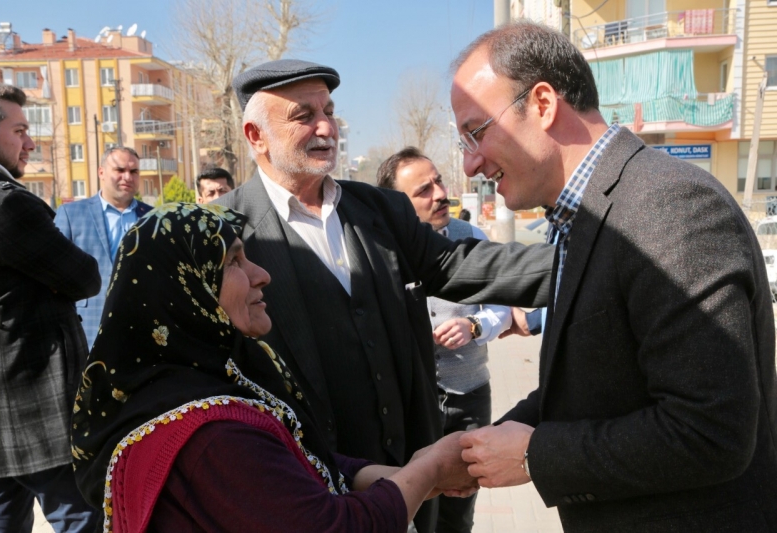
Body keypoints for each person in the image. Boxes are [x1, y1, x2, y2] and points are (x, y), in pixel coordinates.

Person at [450, 21, 777, 532]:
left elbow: (712, 432)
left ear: (542, 103)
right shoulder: (588, 215)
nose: (470, 164)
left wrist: (536, 455)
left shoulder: (666, 205)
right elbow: (597, 384)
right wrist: (487, 446)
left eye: (475, 132)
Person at [214, 59, 553, 533]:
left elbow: (461, 265)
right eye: (303, 115)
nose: (326, 127)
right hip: (308, 498)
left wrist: (586, 261)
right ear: (255, 135)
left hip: (411, 484)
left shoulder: (380, 210)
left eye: (329, 111)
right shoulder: (220, 233)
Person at [71, 202, 478, 533]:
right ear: (187, 290)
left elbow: (303, 462)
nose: (261, 275)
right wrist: (432, 467)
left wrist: (417, 476)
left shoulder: (210, 381)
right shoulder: (210, 436)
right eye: (233, 263)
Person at [376, 146, 526, 533]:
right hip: (412, 404)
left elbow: (502, 308)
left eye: (438, 180)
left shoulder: (469, 236)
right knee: (411, 506)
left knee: (458, 513)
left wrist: (474, 327)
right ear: (396, 204)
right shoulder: (380, 252)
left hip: (469, 397)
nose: (440, 193)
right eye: (423, 189)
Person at [0, 81, 102, 532]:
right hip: (33, 410)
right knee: (80, 517)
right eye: (20, 130)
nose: (31, 143)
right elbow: (84, 276)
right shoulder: (4, 205)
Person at [54, 147, 152, 348]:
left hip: (141, 329)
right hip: (87, 328)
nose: (127, 177)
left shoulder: (153, 218)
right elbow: (55, 273)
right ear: (101, 173)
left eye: (134, 172)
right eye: (119, 170)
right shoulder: (71, 215)